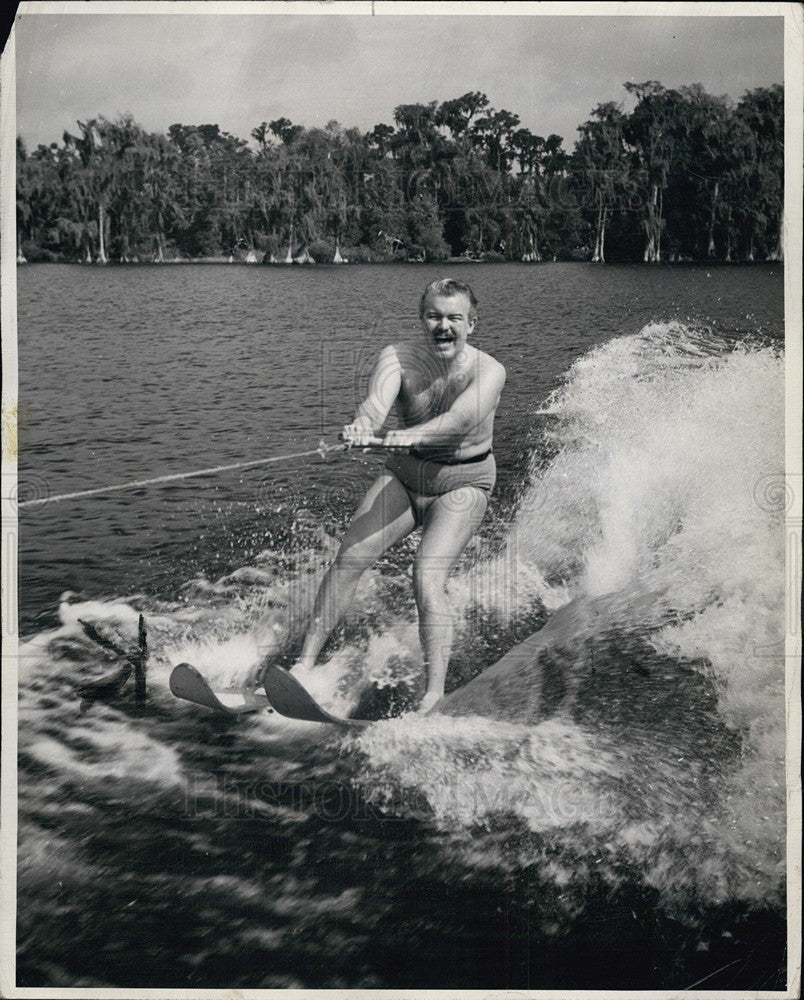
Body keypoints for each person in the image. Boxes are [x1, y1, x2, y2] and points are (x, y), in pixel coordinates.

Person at [259, 277, 505, 714]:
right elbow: (375, 404)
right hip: (407, 477)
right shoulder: (397, 359)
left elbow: (455, 423)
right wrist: (363, 426)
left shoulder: (490, 371)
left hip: (463, 483)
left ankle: (434, 694)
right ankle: (305, 666)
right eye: (434, 316)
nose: (443, 327)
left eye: (453, 318)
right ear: (421, 318)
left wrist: (394, 437)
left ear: (472, 323)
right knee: (350, 555)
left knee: (426, 576)